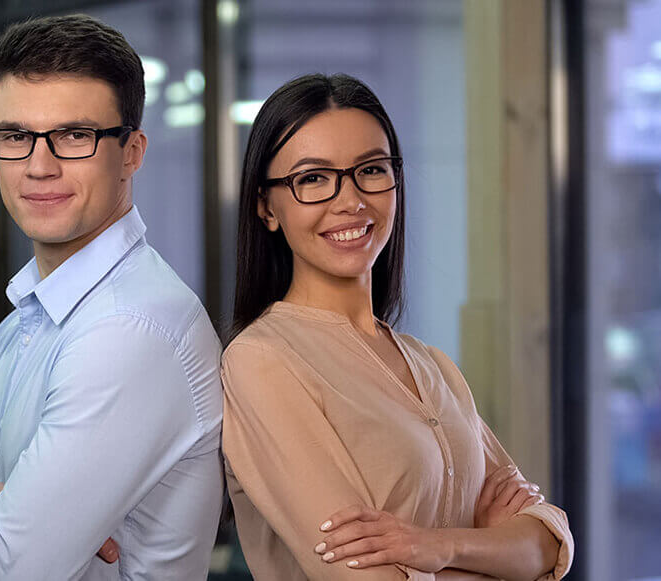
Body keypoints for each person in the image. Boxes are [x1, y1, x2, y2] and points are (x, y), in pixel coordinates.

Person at [0, 15, 224, 580]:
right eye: (15, 136)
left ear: (132, 151)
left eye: (74, 135)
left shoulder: (131, 328)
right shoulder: (34, 316)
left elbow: (7, 570)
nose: (39, 167)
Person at [220, 73, 573, 580]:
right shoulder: (263, 362)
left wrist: (436, 547)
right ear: (265, 205)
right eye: (313, 178)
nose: (350, 200)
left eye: (371, 169)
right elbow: (366, 576)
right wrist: (492, 549)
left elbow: (548, 540)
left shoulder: (434, 366)